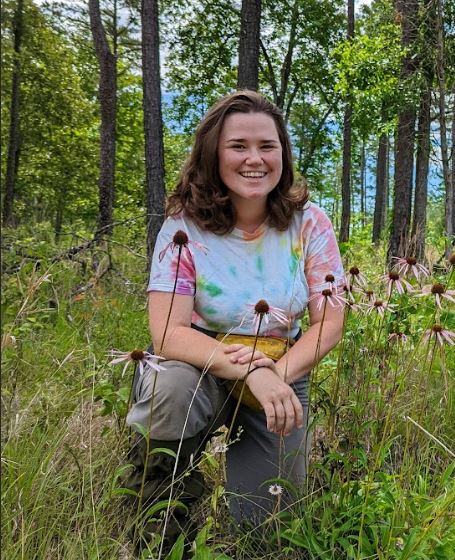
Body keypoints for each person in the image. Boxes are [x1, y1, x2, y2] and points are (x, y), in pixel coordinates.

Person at [124, 90, 345, 548]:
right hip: (200, 364)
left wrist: (272, 378)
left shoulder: (309, 223)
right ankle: (162, 498)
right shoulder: (184, 227)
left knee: (264, 528)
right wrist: (246, 369)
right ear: (213, 154)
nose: (254, 160)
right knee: (170, 387)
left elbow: (330, 322)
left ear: (283, 152)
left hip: (281, 365)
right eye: (238, 146)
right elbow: (166, 331)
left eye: (267, 146)